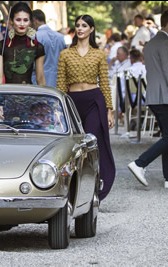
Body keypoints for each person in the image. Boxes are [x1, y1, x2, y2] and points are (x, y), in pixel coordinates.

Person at [128, 10, 168, 189]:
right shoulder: (166, 44)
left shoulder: (151, 43)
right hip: (164, 97)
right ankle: (140, 163)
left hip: (154, 96)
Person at [56, 14, 115, 201]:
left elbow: (105, 82)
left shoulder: (98, 54)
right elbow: (61, 84)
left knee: (92, 142)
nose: (80, 28)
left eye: (84, 25)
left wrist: (109, 110)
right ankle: (72, 187)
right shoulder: (66, 53)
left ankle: (97, 185)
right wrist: (59, 110)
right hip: (72, 102)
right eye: (78, 25)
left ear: (91, 29)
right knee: (73, 145)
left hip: (93, 101)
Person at [0, 2, 45, 85]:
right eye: (18, 20)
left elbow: (40, 78)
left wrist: (44, 97)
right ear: (11, 21)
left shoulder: (37, 47)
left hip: (29, 95)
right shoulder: (1, 46)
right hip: (8, 95)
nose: (22, 24)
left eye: (25, 20)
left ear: (30, 22)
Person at [31, 9, 66, 88]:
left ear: (34, 20)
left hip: (38, 82)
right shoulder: (60, 37)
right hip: (58, 81)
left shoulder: (34, 37)